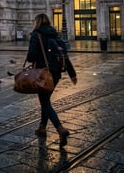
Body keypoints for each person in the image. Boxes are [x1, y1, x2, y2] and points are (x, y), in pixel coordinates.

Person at [27, 13, 77, 147]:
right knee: (46, 100)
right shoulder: (55, 35)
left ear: (37, 22)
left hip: (42, 74)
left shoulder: (36, 35)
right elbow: (64, 55)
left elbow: (31, 57)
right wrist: (72, 74)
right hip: (55, 74)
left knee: (44, 102)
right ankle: (42, 127)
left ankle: (60, 129)